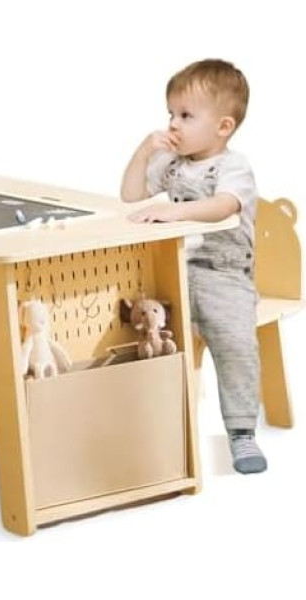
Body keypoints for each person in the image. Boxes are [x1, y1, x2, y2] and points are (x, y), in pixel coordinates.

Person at [120, 58, 266, 474]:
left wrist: (174, 213)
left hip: (224, 273)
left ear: (223, 126)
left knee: (235, 343)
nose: (173, 124)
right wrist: (144, 151)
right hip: (178, 267)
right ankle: (151, 425)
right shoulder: (173, 163)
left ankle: (241, 431)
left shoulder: (234, 166)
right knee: (140, 325)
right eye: (170, 113)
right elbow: (130, 194)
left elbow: (225, 205)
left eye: (185, 115)